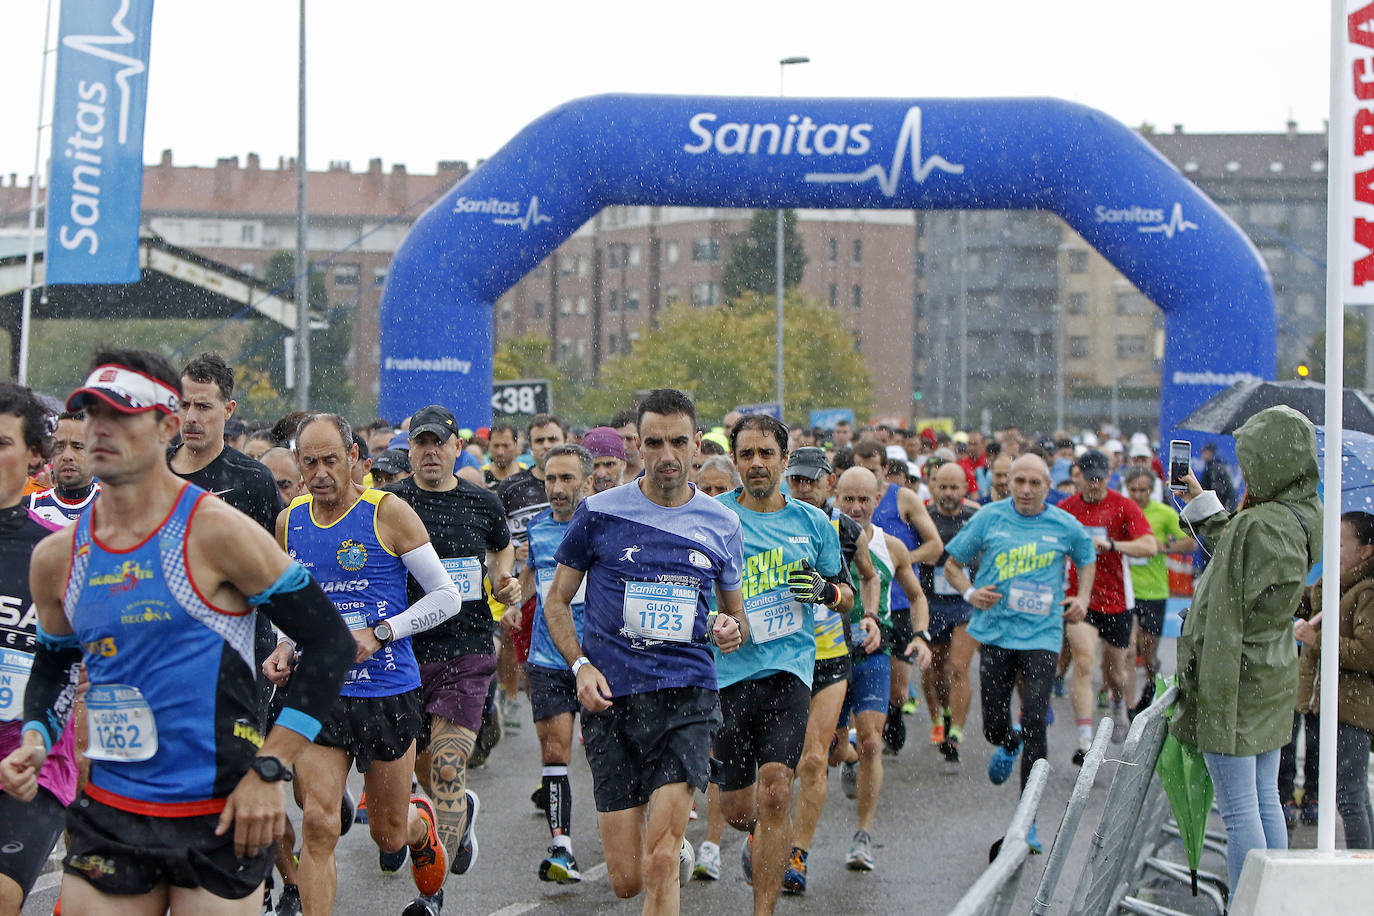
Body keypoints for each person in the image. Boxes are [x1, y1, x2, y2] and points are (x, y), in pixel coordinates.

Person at [1, 350, 354, 915]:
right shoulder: (58, 557)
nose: (101, 430)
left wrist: (271, 766)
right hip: (112, 812)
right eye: (91, 414)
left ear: (165, 427)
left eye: (122, 415)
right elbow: (55, 662)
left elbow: (330, 642)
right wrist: (39, 738)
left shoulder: (216, 532)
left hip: (219, 813)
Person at [543, 388, 748, 916]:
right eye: (654, 442)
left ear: (697, 444)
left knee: (658, 863)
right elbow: (557, 602)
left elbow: (736, 618)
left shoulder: (721, 522)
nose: (667, 456)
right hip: (611, 698)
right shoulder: (599, 513)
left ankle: (668, 841)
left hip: (686, 694)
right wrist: (580, 667)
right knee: (627, 880)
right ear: (638, 446)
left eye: (678, 442)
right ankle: (667, 842)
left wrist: (729, 631)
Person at [267, 413, 467, 916]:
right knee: (317, 823)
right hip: (321, 694)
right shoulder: (290, 521)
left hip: (386, 691)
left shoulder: (388, 512)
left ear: (355, 458)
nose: (319, 473)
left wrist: (381, 634)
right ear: (297, 462)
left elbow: (447, 598)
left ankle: (419, 825)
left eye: (331, 460)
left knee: (388, 834)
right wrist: (283, 647)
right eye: (308, 462)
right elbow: (290, 606)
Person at [1171, 406, 1320, 892]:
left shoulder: (1258, 525)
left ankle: (1249, 902)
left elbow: (1224, 617)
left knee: (1238, 811)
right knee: (1264, 799)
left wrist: (1204, 696)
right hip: (1272, 669)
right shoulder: (1304, 514)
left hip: (1233, 679)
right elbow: (1245, 556)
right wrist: (1203, 504)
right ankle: (1276, 899)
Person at [383, 404, 520, 915]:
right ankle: (457, 817)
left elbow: (502, 550)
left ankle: (432, 895)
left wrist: (504, 582)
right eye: (421, 442)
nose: (430, 451)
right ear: (410, 448)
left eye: (439, 442)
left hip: (466, 650)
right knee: (415, 770)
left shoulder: (481, 503)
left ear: (457, 447)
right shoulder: (390, 503)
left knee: (447, 762)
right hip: (403, 653)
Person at [711, 417, 845, 914]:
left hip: (788, 673)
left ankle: (762, 908)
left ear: (785, 461)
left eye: (767, 453)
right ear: (736, 460)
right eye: (747, 454)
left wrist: (827, 592)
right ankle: (759, 839)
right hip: (727, 676)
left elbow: (846, 594)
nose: (757, 464)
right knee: (739, 809)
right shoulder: (713, 516)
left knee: (776, 790)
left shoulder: (813, 524)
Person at [942, 453, 1095, 852]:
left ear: (1049, 485)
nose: (1026, 490)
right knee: (993, 725)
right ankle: (1008, 743)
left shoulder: (1063, 524)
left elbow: (1086, 555)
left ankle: (1026, 820)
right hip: (995, 634)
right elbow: (952, 565)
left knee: (1035, 721)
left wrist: (1081, 596)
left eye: (1035, 483)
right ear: (1008, 482)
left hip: (1042, 638)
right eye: (1019, 482)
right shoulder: (989, 518)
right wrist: (971, 592)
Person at [779, 447, 878, 895]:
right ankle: (766, 834)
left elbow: (867, 577)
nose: (803, 487)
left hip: (831, 654)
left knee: (815, 759)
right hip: (780, 656)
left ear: (828, 482)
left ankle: (797, 855)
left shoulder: (845, 528)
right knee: (779, 765)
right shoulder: (772, 520)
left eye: (811, 480)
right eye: (796, 479)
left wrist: (869, 615)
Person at [831, 466, 932, 871]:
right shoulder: (822, 536)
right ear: (836, 498)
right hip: (829, 653)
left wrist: (921, 635)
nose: (856, 507)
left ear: (878, 501)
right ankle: (848, 756)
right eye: (848, 499)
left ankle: (863, 836)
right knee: (832, 750)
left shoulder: (892, 545)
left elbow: (917, 596)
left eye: (864, 500)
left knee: (874, 740)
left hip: (874, 650)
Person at [0, 383, 70, 916]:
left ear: (33, 459)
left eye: (1, 442)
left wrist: (38, 735)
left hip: (31, 759)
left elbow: (82, 660)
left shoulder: (54, 551)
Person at [520, 443, 594, 883]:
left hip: (598, 660)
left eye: (567, 478)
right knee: (554, 752)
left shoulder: (601, 525)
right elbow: (532, 574)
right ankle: (562, 846)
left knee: (609, 755)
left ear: (585, 481)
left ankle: (632, 834)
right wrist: (514, 597)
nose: (557, 488)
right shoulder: (537, 528)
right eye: (550, 478)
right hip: (548, 657)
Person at [1058, 450, 1158, 752]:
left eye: (1101, 479)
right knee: (1084, 662)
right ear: (1080, 477)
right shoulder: (1067, 509)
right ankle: (1086, 740)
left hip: (1117, 601)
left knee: (1115, 673)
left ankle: (1117, 701)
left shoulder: (1123, 506)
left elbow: (1150, 546)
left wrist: (1113, 544)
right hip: (1080, 598)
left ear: (1109, 477)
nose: (1095, 485)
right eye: (1090, 479)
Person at [851, 440, 942, 753]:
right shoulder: (835, 520)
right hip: (849, 619)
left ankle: (892, 717)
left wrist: (898, 562)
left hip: (898, 604)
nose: (857, 505)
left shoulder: (904, 498)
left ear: (884, 470)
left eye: (873, 470)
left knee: (900, 691)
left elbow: (935, 546)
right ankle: (858, 744)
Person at [1293, 511, 1374, 849]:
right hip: (1326, 704)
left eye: (1340, 543)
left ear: (1366, 551)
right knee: (1351, 794)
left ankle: (1361, 873)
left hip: (1353, 711)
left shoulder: (1367, 592)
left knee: (1349, 795)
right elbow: (1303, 604)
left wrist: (1318, 640)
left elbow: (1368, 654)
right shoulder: (1336, 583)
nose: (1333, 549)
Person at [1122, 467, 1195, 717]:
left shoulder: (1163, 514)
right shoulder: (1121, 510)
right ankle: (1130, 705)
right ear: (1126, 488)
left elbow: (1191, 542)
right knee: (1130, 649)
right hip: (1126, 590)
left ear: (1151, 490)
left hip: (1154, 591)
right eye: (1133, 490)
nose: (1138, 495)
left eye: (1143, 490)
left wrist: (1161, 547)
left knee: (1148, 649)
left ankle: (1151, 680)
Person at [921, 462, 981, 762]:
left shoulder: (976, 518)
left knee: (958, 668)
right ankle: (938, 717)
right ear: (933, 487)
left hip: (964, 602)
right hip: (930, 601)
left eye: (953, 487)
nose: (947, 493)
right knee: (934, 670)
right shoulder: (923, 518)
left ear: (965, 489)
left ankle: (955, 734)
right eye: (942, 486)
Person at [28, 409, 99, 527]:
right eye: (59, 446)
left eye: (77, 447)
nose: (67, 456)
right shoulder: (29, 507)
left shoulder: (116, 505)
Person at [582, 426, 627, 492]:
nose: (601, 474)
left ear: (623, 464)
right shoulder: (575, 501)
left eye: (609, 464)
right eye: (594, 466)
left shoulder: (637, 500)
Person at [483, 424, 526, 489]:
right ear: (489, 446)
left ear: (515, 445)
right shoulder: (481, 475)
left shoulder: (526, 474)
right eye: (496, 446)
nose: (500, 452)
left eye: (506, 446)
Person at [610, 408, 645, 482]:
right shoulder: (608, 477)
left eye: (629, 439)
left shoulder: (652, 473)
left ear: (640, 439)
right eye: (619, 439)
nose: (624, 446)